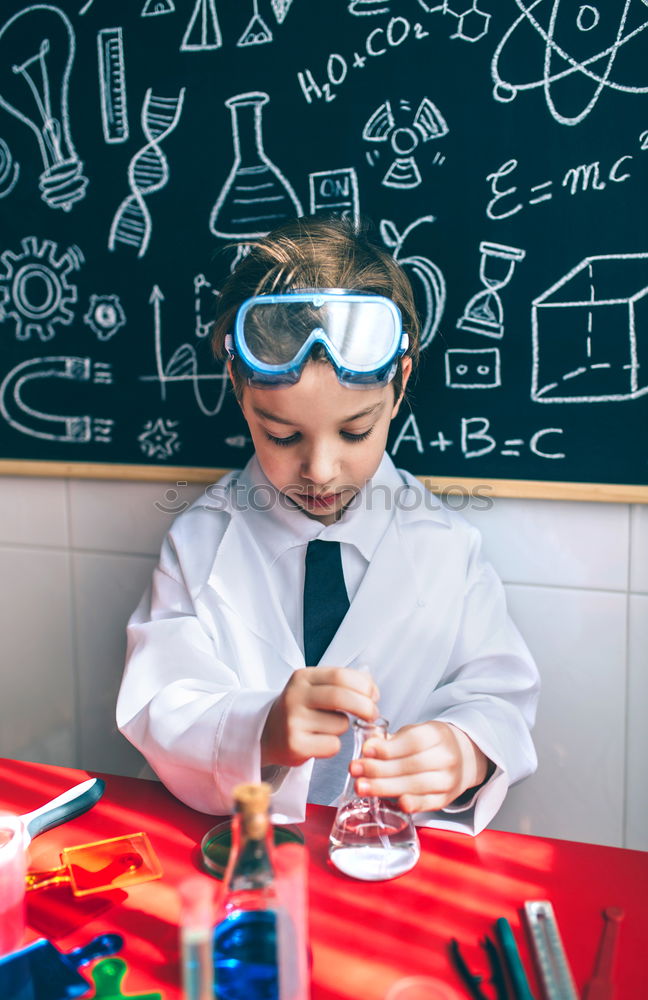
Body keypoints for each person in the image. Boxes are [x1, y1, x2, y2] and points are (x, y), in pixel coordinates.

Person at [117, 216, 539, 833]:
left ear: (399, 386)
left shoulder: (448, 546)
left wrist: (464, 749)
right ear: (238, 388)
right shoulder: (200, 544)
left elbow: (500, 693)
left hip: (384, 863)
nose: (320, 469)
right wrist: (258, 729)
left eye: (355, 431)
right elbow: (159, 703)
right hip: (245, 857)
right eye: (282, 434)